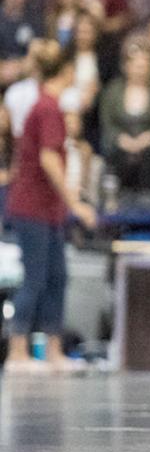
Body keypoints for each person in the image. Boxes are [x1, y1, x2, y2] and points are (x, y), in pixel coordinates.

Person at [3, 46, 96, 374]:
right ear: (67, 72)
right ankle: (17, 351)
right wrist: (76, 203)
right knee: (35, 278)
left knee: (57, 278)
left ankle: (53, 350)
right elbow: (48, 159)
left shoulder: (49, 106)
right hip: (32, 208)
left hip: (49, 210)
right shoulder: (47, 108)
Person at [99, 45, 150, 196]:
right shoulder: (113, 90)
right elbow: (107, 123)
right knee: (116, 154)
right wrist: (121, 139)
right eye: (138, 66)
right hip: (119, 146)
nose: (141, 70)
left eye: (145, 66)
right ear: (127, 67)